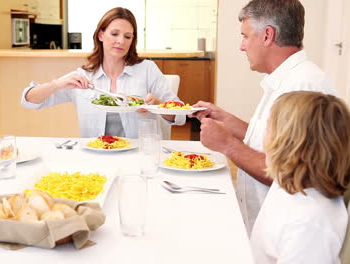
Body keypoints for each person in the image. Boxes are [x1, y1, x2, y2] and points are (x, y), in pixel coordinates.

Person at [190, 0, 336, 233]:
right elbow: (273, 143)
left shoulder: (303, 87)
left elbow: (287, 171)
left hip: (280, 233)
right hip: (261, 223)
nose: (242, 46)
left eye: (245, 36)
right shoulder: (286, 79)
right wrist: (225, 119)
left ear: (267, 35)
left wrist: (227, 145)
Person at [21, 7, 185, 138]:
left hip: (139, 155)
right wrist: (57, 84)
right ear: (100, 34)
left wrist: (157, 105)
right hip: (96, 158)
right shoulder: (83, 77)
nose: (121, 41)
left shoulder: (147, 69)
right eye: (114, 34)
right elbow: (29, 100)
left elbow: (180, 116)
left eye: (128, 37)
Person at [251, 91, 350, 263]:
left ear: (291, 146)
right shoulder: (286, 183)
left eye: (268, 129)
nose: (263, 140)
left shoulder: (309, 224)